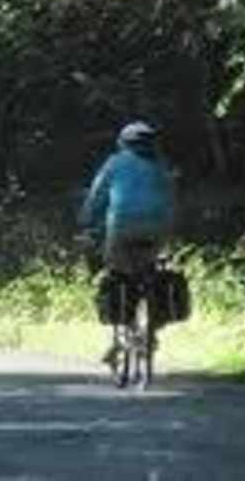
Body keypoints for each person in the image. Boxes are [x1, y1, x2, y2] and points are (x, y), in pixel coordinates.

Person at [80, 121, 175, 364]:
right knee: (150, 270)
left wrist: (87, 220)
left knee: (117, 274)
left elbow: (97, 196)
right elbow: (171, 196)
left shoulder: (115, 163)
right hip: (158, 229)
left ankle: (118, 339)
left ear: (123, 143)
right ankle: (151, 331)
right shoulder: (161, 165)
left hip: (123, 228)